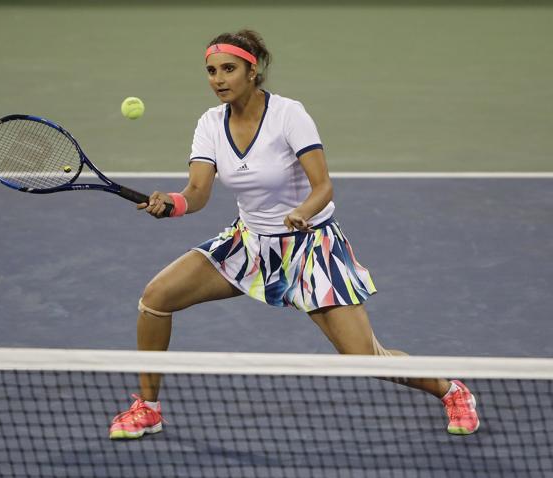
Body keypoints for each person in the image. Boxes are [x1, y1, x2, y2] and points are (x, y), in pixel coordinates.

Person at [108, 30, 479, 440]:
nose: (218, 79)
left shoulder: (288, 115)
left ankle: (451, 390)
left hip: (309, 248)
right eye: (211, 71)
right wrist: (172, 204)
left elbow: (323, 187)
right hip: (248, 244)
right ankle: (148, 408)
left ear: (253, 70)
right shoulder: (210, 123)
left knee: (364, 357)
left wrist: (302, 213)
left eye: (228, 69)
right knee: (156, 299)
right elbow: (197, 192)